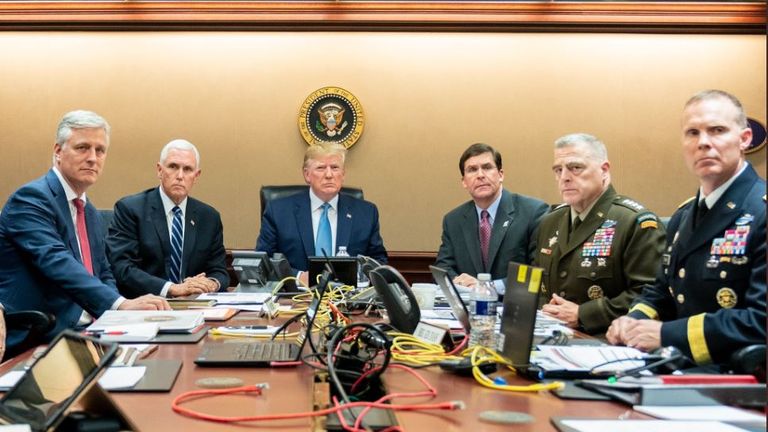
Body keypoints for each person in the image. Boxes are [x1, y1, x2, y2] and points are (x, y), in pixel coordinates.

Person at [607, 90, 766, 366]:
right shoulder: (683, 217)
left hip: (736, 381)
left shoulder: (760, 210)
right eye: (693, 133)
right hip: (676, 367)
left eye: (717, 130)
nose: (703, 143)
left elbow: (760, 320)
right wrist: (632, 321)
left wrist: (668, 334)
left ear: (744, 139)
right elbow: (661, 292)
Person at [0, 110, 170, 352]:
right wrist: (119, 304)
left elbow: (102, 271)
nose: (93, 158)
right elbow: (58, 263)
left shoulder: (87, 209)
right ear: (58, 151)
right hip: (43, 338)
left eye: (100, 150)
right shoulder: (31, 199)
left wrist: (117, 317)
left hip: (91, 331)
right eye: (83, 148)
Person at [535, 133, 666, 335]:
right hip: (550, 336)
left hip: (606, 340)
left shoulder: (634, 222)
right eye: (558, 170)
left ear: (604, 170)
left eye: (575, 167)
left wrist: (584, 314)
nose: (564, 177)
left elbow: (650, 295)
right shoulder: (549, 222)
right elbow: (537, 284)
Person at [107, 139, 229, 298]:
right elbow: (122, 268)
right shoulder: (130, 209)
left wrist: (211, 284)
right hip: (144, 305)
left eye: (187, 169)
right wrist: (171, 288)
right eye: (173, 167)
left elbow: (219, 270)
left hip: (194, 306)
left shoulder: (209, 217)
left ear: (196, 176)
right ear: (159, 170)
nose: (180, 176)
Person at [256, 143, 387, 286]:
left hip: (348, 301)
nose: (329, 175)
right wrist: (298, 277)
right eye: (321, 168)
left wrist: (357, 276)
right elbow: (264, 261)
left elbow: (378, 261)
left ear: (343, 174)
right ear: (307, 174)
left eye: (335, 168)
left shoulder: (366, 213)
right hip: (294, 299)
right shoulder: (279, 211)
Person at [435, 143, 548, 294]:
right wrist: (461, 284)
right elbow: (444, 267)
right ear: (464, 182)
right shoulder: (453, 220)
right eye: (472, 170)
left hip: (514, 308)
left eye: (487, 167)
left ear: (501, 174)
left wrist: (487, 287)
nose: (480, 175)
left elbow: (539, 271)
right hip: (470, 308)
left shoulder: (533, 212)